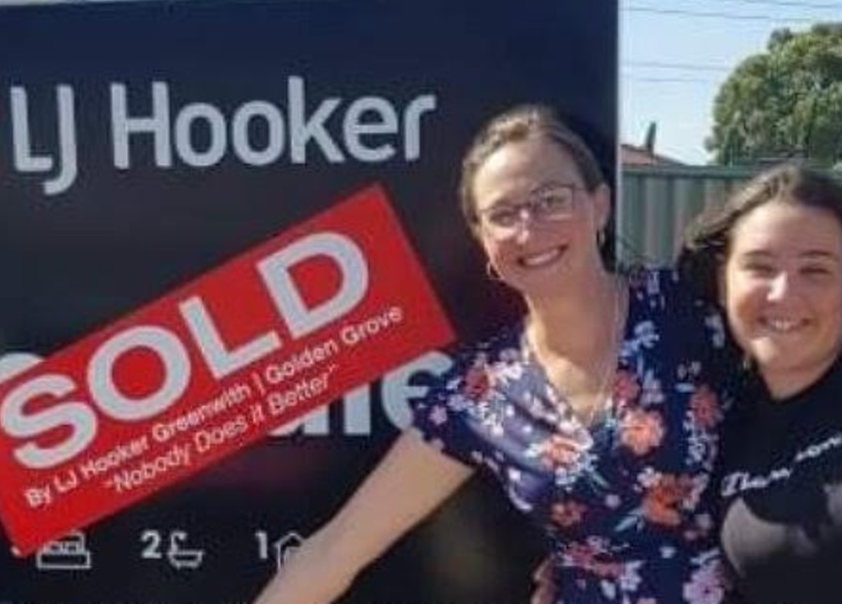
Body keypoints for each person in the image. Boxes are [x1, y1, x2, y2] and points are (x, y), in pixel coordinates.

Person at [252, 104, 738, 604]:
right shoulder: (481, 393)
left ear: (600, 205)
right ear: (483, 240)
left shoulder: (693, 309)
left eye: (551, 199)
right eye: (503, 214)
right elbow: (338, 549)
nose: (529, 228)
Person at [677, 164, 842, 603]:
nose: (782, 294)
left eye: (815, 270)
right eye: (759, 267)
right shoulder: (719, 411)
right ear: (724, 284)